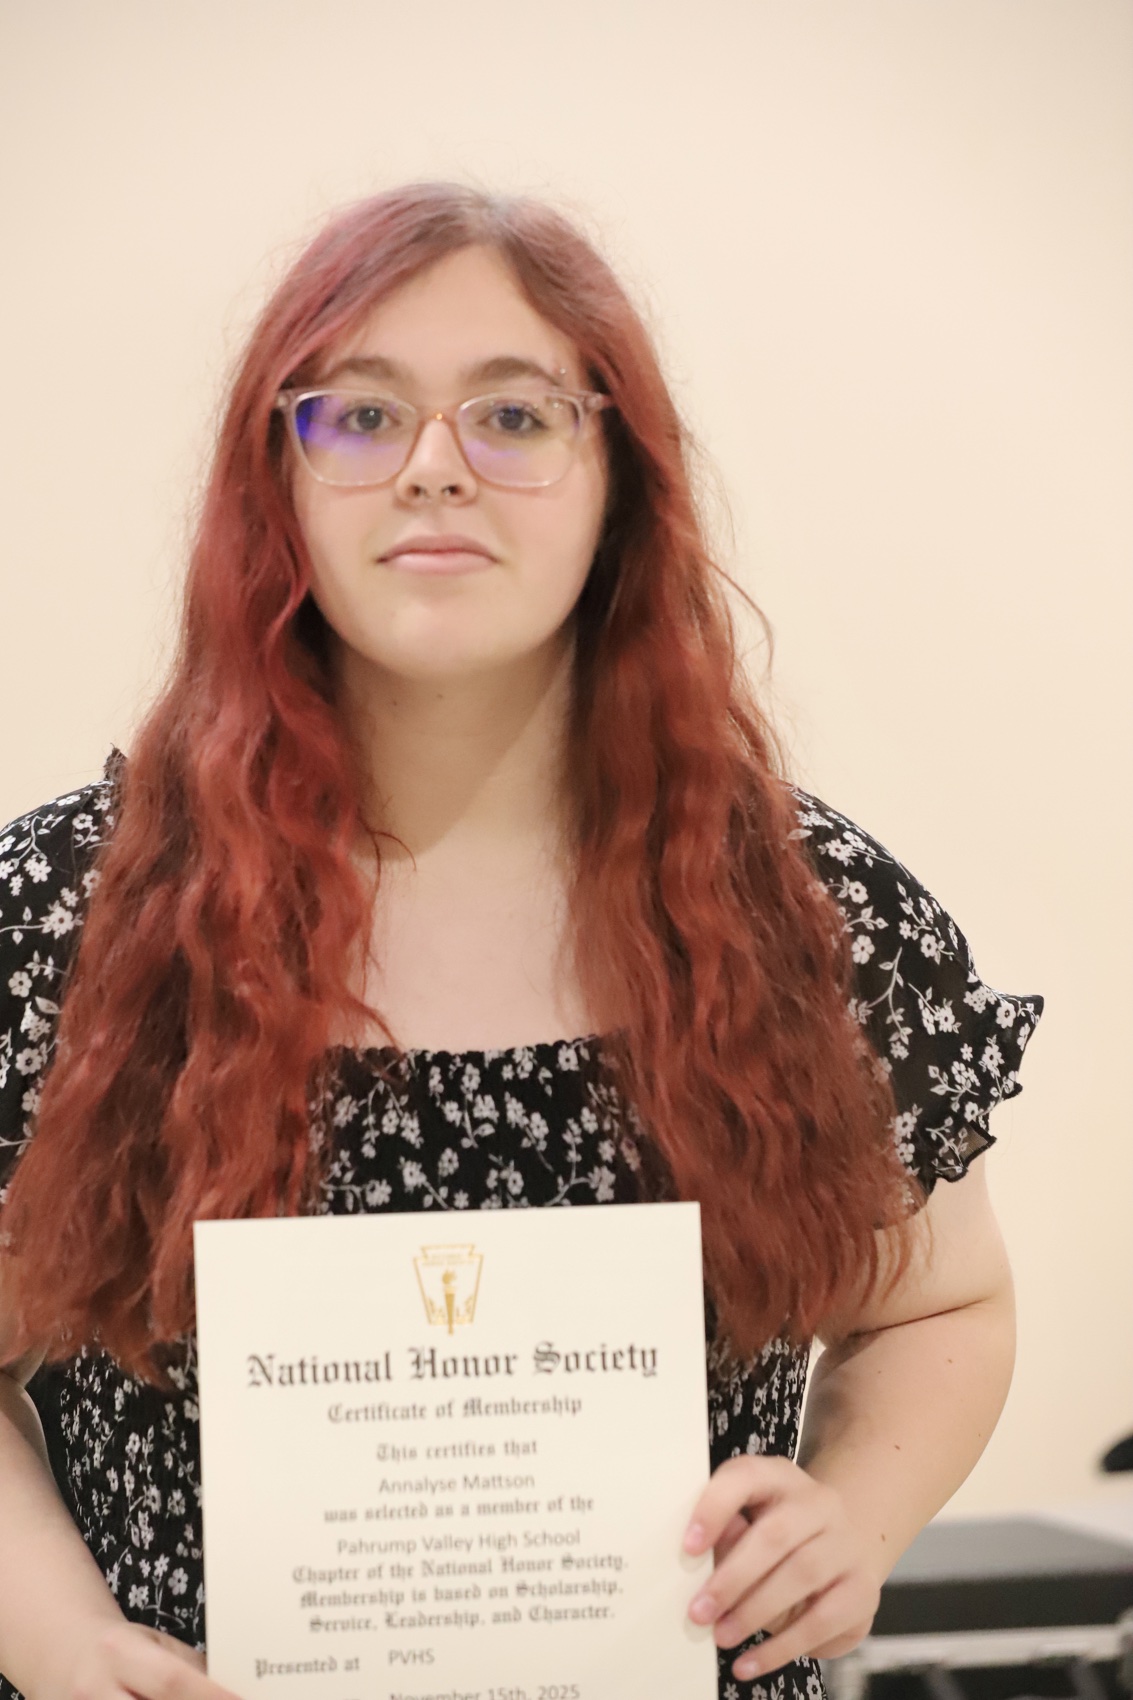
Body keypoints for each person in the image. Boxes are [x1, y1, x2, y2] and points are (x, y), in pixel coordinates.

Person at [0, 181, 1041, 1700]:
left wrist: (854, 1518)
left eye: (513, 415)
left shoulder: (805, 911)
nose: (434, 467)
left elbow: (939, 1304)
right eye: (361, 416)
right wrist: (58, 1642)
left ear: (618, 476)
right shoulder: (69, 916)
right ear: (276, 481)